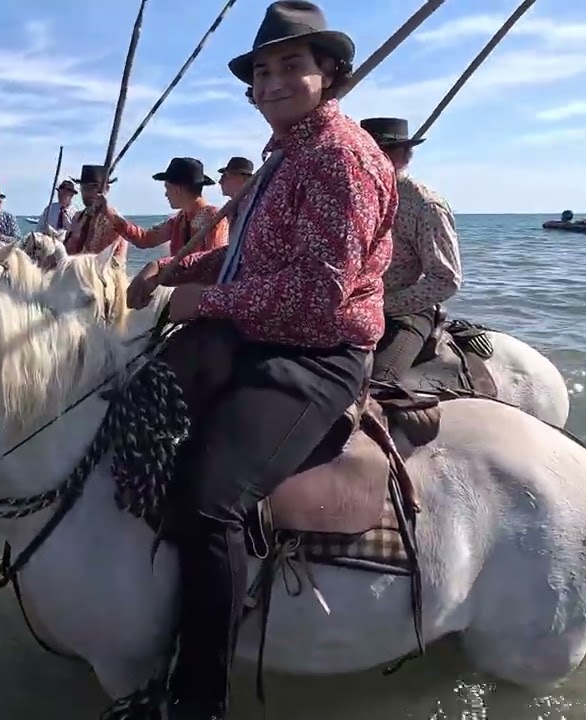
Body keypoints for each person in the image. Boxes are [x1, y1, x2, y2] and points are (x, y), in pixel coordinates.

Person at [125, 3, 395, 717]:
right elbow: (248, 259)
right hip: (258, 329)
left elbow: (318, 294)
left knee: (210, 499)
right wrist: (173, 272)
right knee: (131, 403)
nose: (272, 83)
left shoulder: (340, 158)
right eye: (263, 72)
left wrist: (202, 305)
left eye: (290, 66)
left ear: (329, 73)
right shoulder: (285, 155)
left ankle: (199, 696)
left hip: (319, 352)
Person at [360, 116, 462, 383]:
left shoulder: (425, 205)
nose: (366, 158)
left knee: (377, 385)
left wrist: (380, 306)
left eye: (378, 151)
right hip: (350, 311)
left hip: (404, 315)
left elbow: (445, 279)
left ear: (405, 156)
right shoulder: (348, 196)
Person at [105, 158, 229, 289]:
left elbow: (212, 264)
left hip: (202, 297)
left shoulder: (214, 218)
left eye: (167, 188)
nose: (165, 194)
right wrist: (111, 215)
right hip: (181, 293)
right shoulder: (179, 220)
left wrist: (159, 266)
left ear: (177, 190)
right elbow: (145, 239)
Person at [63, 164, 129, 263]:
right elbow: (68, 252)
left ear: (106, 189)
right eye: (84, 188)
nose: (88, 193)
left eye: (93, 187)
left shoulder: (114, 221)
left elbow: (110, 261)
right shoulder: (78, 217)